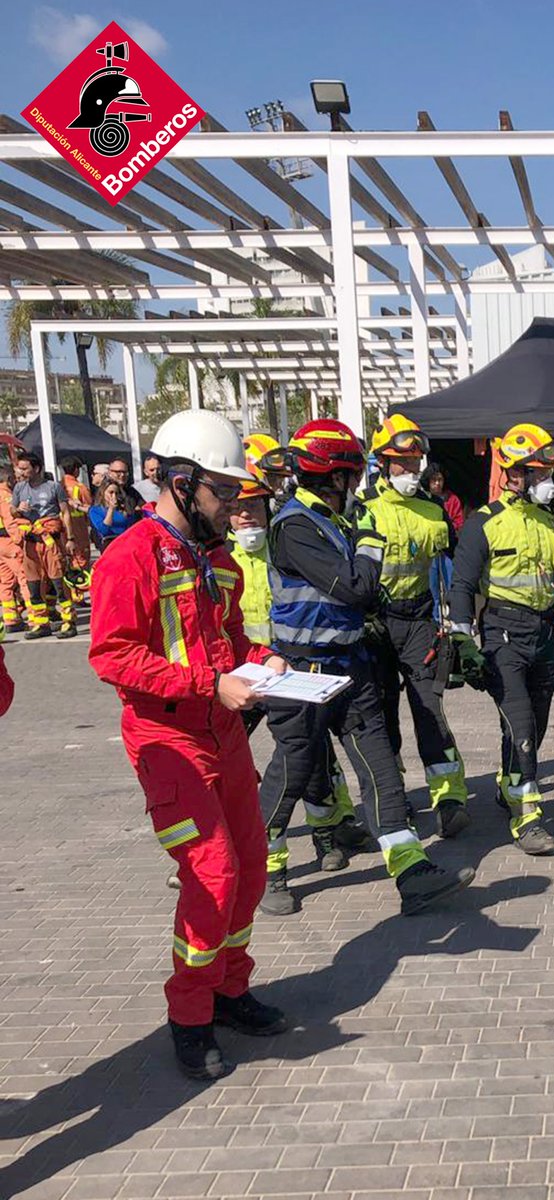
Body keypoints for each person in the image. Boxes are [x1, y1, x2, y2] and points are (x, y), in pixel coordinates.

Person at [88, 409, 289, 1082]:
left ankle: (231, 990)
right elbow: (113, 656)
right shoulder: (130, 556)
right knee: (211, 876)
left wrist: (265, 661)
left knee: (252, 864)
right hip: (167, 739)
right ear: (180, 481)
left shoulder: (218, 559)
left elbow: (231, 641)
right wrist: (211, 682)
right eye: (221, 491)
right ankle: (190, 1015)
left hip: (221, 730)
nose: (232, 504)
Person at [258, 419, 474, 916]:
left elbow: (361, 591)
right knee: (292, 772)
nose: (357, 484)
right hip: (303, 673)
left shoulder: (335, 521)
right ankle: (267, 869)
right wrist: (371, 545)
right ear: (336, 476)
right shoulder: (294, 526)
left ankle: (411, 870)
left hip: (349, 666)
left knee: (380, 770)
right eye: (352, 475)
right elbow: (356, 586)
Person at [449, 423, 554, 856]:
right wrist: (462, 637)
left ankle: (509, 786)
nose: (549, 482)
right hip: (502, 635)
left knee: (534, 727)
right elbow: (463, 585)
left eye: (550, 474)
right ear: (514, 475)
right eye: (540, 474)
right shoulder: (482, 524)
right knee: (520, 724)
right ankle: (528, 818)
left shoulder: (553, 525)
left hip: (543, 635)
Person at [229, 444, 374, 880]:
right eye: (237, 506)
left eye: (255, 502)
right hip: (236, 675)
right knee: (235, 767)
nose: (247, 514)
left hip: (281, 665)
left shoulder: (290, 535)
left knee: (310, 759)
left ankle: (327, 831)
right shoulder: (220, 558)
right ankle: (229, 847)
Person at [362, 416, 469, 838]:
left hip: (419, 621)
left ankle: (449, 796)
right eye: (401, 463)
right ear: (384, 463)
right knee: (383, 717)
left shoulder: (434, 508)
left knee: (430, 708)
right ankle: (395, 798)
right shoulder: (363, 510)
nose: (410, 471)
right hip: (376, 625)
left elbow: (459, 562)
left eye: (415, 462)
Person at [11, 451, 77, 639]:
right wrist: (18, 510)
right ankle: (41, 623)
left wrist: (70, 539)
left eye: (25, 468)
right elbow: (13, 512)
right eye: (20, 468)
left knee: (58, 582)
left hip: (51, 542)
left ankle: (68, 621)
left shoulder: (53, 487)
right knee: (33, 585)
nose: (21, 471)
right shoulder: (19, 489)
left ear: (36, 468)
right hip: (30, 543)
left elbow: (65, 513)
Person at [0, 468, 31, 634]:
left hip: (0, 547)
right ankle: (35, 617)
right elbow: (10, 520)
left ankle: (10, 618)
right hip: (9, 543)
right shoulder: (5, 496)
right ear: (9, 479)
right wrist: (19, 539)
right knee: (24, 578)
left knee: (5, 582)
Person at [88, 476, 143, 550]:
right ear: (103, 493)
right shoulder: (95, 510)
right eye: (111, 492)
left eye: (116, 493)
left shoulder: (124, 509)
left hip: (125, 543)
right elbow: (104, 530)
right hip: (109, 544)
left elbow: (131, 526)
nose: (114, 496)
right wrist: (111, 509)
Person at [59, 457, 92, 570]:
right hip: (78, 527)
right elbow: (89, 508)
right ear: (76, 470)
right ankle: (80, 585)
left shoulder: (57, 486)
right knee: (81, 558)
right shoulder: (80, 487)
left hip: (60, 527)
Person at [422, 460, 465, 533]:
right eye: (434, 480)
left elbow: (459, 522)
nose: (437, 483)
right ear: (428, 481)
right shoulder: (422, 498)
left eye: (440, 479)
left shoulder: (452, 499)